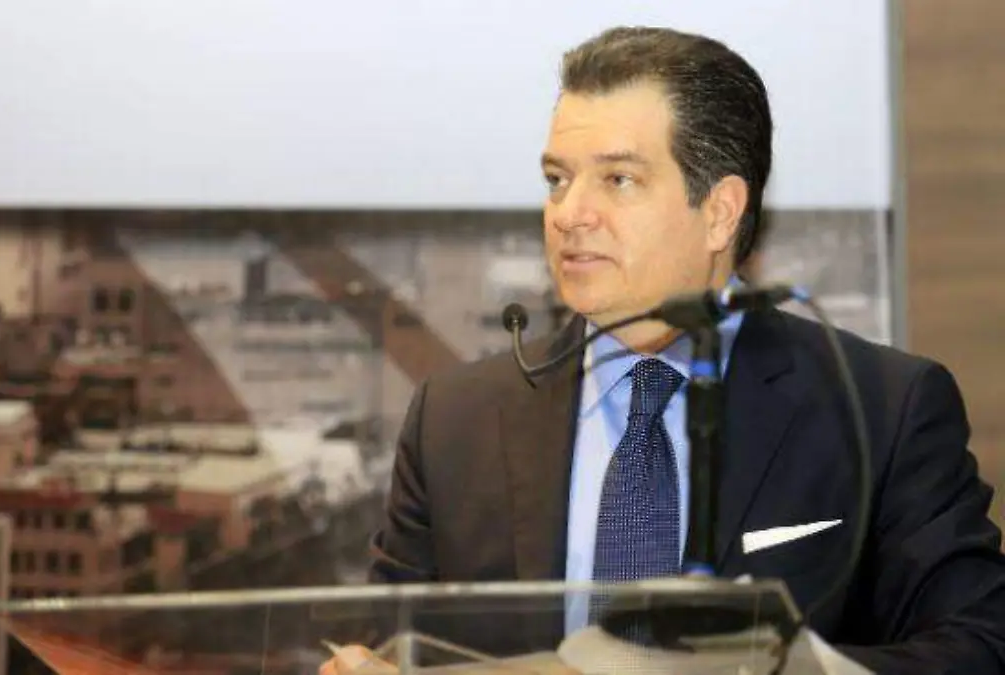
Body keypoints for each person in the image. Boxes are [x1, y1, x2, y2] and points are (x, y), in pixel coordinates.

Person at [322, 26, 1005, 674]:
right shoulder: (454, 421)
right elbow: (393, 644)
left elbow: (978, 646)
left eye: (617, 180)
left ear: (720, 212)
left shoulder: (881, 410)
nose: (569, 214)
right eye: (557, 179)